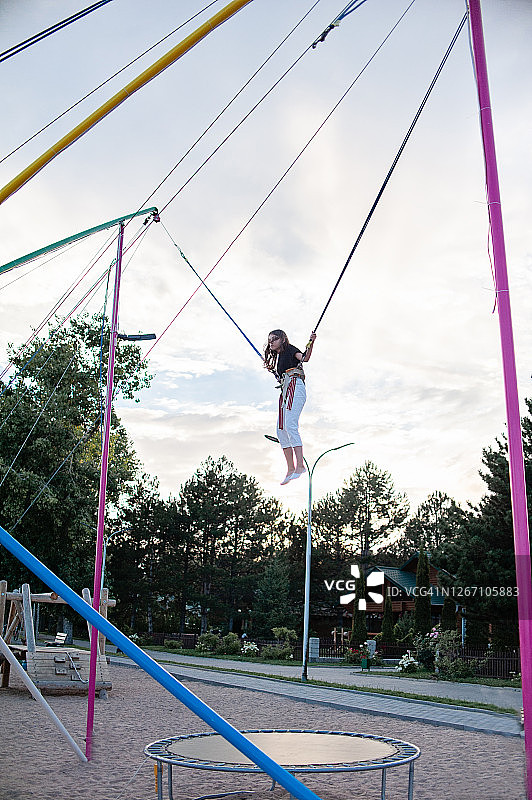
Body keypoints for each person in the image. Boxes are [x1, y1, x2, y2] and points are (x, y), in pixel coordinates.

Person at [264, 329, 316, 485]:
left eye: (274, 339)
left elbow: (305, 358)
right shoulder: (278, 357)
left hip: (295, 385)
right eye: (269, 340)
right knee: (281, 430)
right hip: (286, 389)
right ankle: (290, 468)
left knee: (290, 425)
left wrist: (311, 342)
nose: (271, 342)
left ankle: (300, 466)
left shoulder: (290, 349)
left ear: (283, 339)